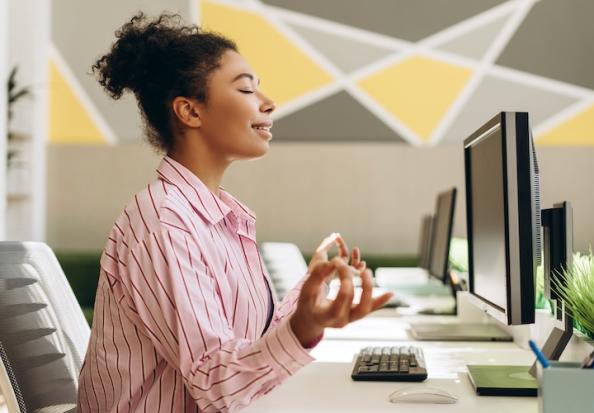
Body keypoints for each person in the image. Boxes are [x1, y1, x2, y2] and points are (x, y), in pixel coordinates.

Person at [77, 12, 392, 413]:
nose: (268, 102)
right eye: (246, 90)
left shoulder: (219, 217)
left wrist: (308, 302)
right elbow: (218, 385)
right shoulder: (166, 222)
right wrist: (303, 327)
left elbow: (242, 354)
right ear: (190, 112)